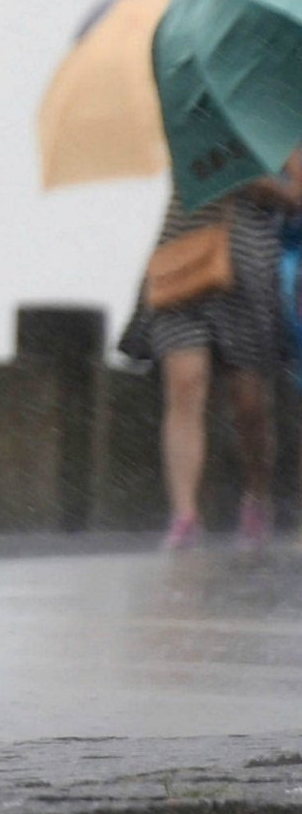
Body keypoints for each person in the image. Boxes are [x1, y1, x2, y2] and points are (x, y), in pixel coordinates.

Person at [124, 169, 300, 551]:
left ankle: (257, 493)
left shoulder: (270, 130)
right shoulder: (188, 123)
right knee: (185, 386)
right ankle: (185, 513)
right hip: (181, 258)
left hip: (247, 268)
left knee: (248, 404)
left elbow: (297, 195)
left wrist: (250, 180)